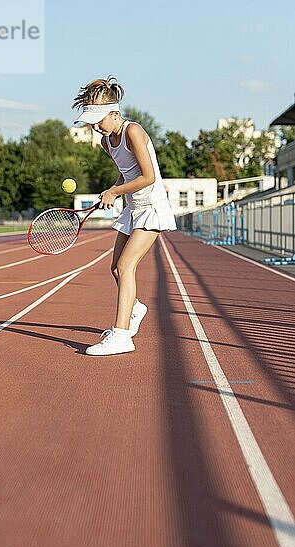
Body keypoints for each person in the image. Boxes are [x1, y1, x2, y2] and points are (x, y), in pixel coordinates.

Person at [72, 76, 177, 355]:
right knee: (116, 268)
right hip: (132, 209)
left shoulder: (134, 131)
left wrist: (115, 191)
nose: (95, 126)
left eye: (98, 120)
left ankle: (121, 336)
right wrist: (113, 190)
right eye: (91, 121)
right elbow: (126, 170)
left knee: (127, 266)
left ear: (114, 112)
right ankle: (136, 308)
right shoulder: (107, 142)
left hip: (152, 207)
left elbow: (148, 176)